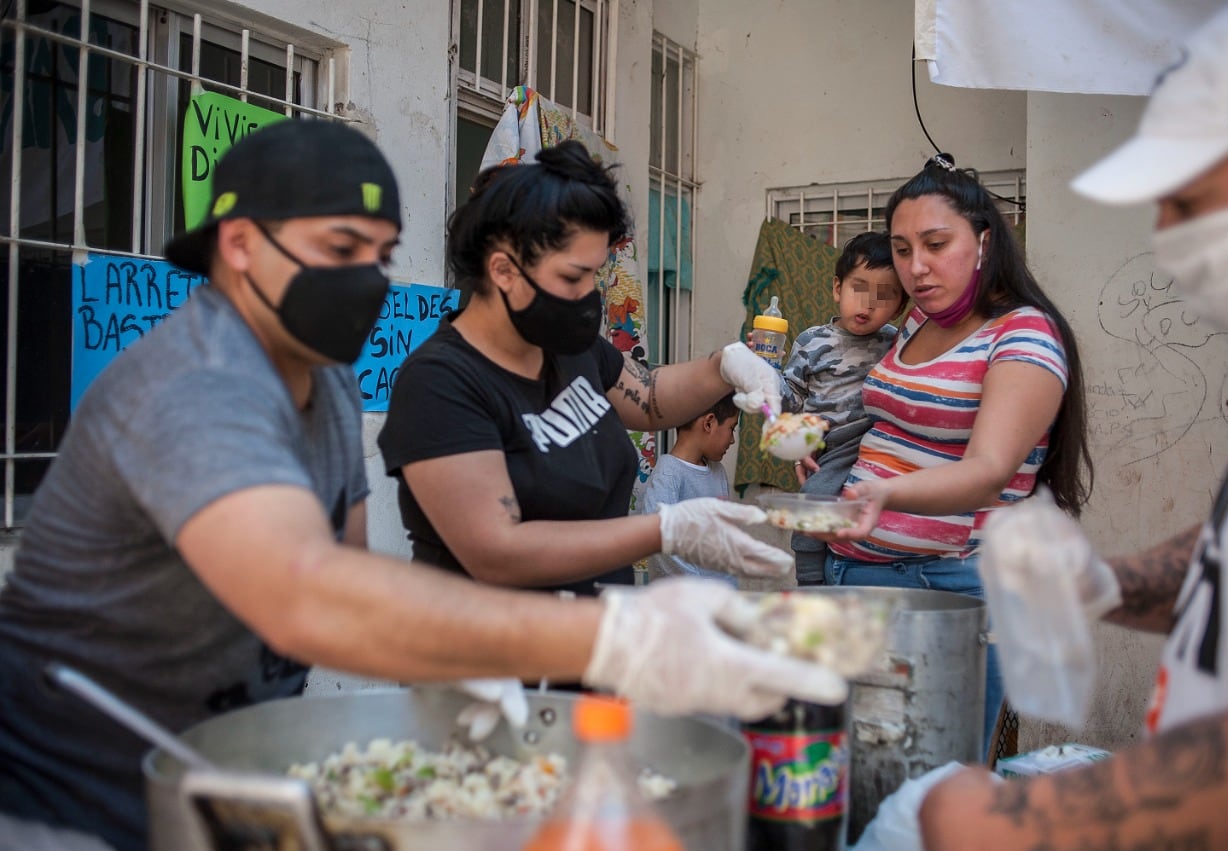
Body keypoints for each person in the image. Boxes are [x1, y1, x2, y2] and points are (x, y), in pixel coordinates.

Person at [0, 121, 846, 851]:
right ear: (240, 245)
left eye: (378, 254)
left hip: (221, 766)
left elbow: (351, 578)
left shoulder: (323, 381)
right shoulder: (199, 385)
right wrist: (613, 635)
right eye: (340, 252)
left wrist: (459, 644)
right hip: (73, 793)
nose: (366, 278)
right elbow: (312, 596)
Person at [860, 3, 1228, 849]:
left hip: (948, 589)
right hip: (868, 573)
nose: (1167, 236)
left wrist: (1002, 818)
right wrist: (1101, 583)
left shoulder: (1022, 332)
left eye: (1190, 198)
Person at [378, 140, 792, 595]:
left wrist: (724, 366)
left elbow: (650, 397)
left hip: (583, 641)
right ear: (502, 270)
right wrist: (663, 530)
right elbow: (499, 551)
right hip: (488, 653)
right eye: (573, 276)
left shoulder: (564, 348)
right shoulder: (440, 384)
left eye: (596, 274)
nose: (589, 293)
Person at [817, 153, 1094, 753]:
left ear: (984, 241)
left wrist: (886, 493)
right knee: (842, 780)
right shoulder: (917, 321)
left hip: (950, 590)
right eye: (902, 248)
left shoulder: (1023, 333)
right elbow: (884, 420)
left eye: (937, 244)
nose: (916, 267)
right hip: (848, 571)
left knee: (931, 793)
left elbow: (990, 472)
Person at [782, 230, 906, 586]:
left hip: (872, 438)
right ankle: (810, 580)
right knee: (814, 498)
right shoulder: (812, 341)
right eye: (858, 289)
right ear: (838, 288)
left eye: (883, 296)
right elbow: (791, 396)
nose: (867, 305)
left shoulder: (895, 341)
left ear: (899, 306)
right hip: (829, 444)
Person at [638, 393, 740, 585]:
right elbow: (660, 542)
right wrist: (701, 586)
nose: (732, 440)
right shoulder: (669, 474)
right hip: (679, 600)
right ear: (709, 423)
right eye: (731, 428)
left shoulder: (718, 472)